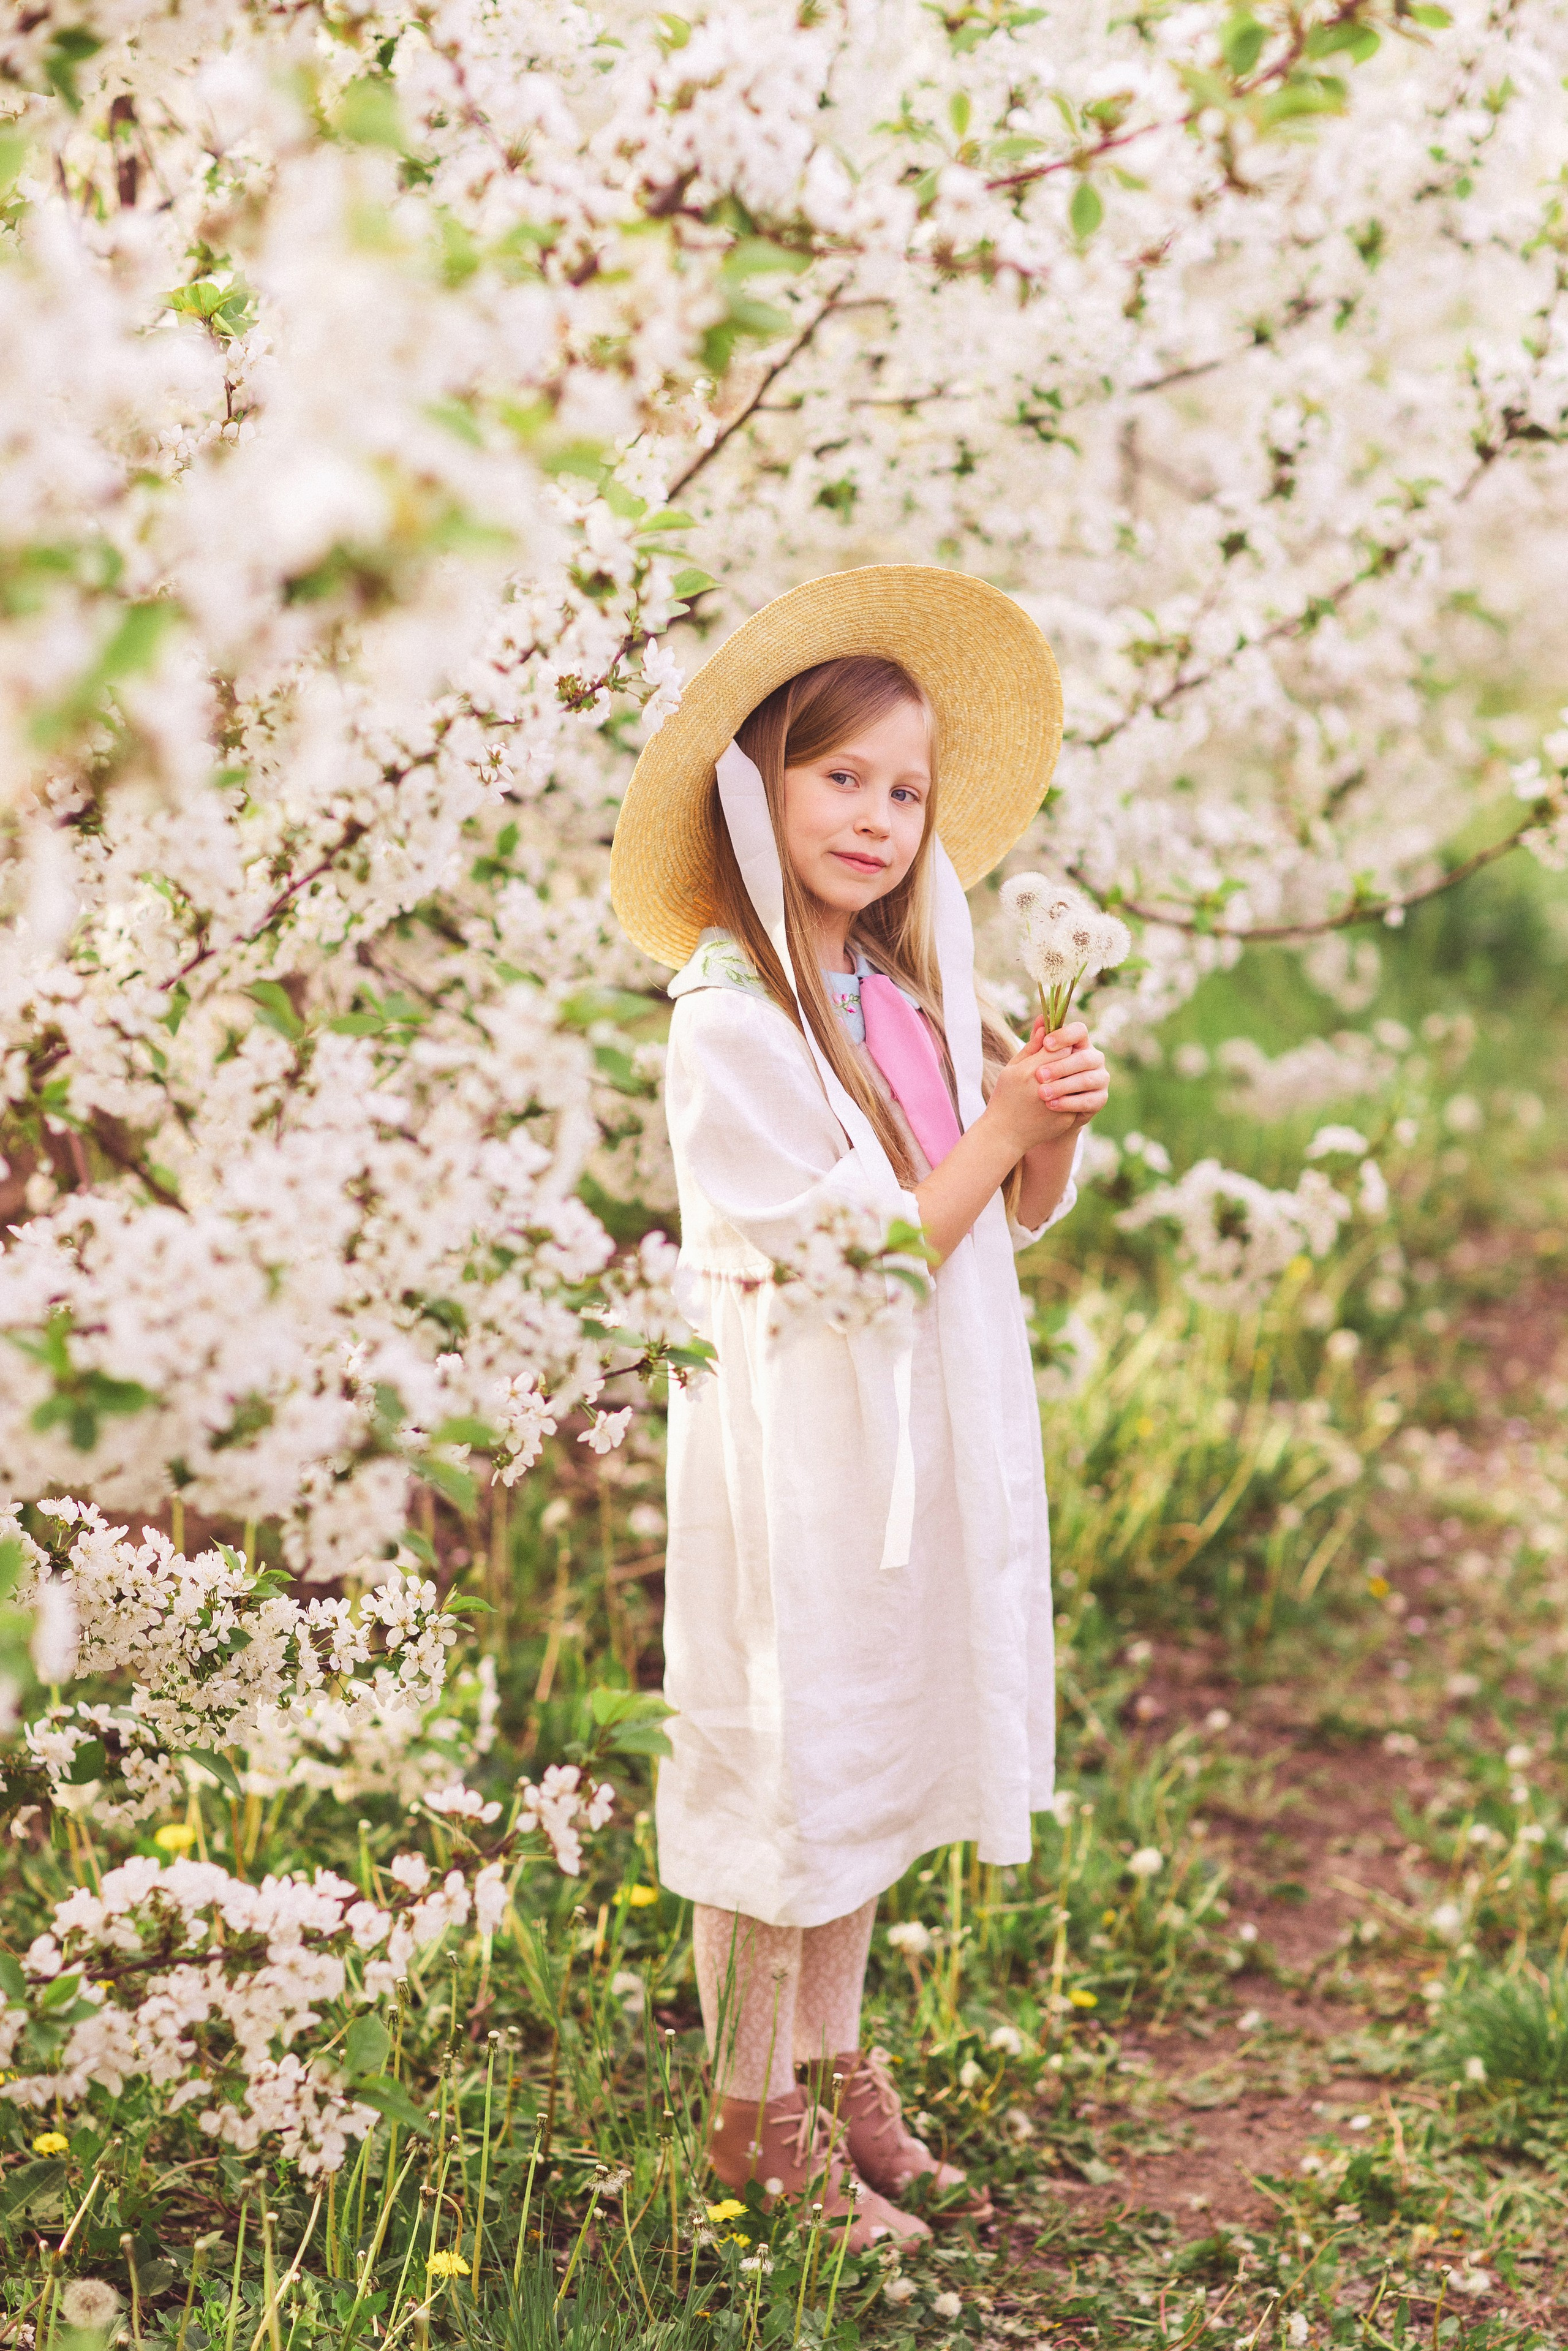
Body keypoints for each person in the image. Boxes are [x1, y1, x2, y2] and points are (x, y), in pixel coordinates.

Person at [609, 567, 1110, 2247]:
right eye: (843, 779)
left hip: (920, 1440)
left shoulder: (895, 995)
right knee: (789, 1751)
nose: (882, 817)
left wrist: (1044, 1120)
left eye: (909, 791)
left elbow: (1001, 1215)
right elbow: (851, 1259)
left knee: (874, 1744)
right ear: (756, 787)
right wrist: (991, 1136)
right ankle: (753, 2116)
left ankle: (832, 2071)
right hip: (805, 1451)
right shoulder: (731, 1023)